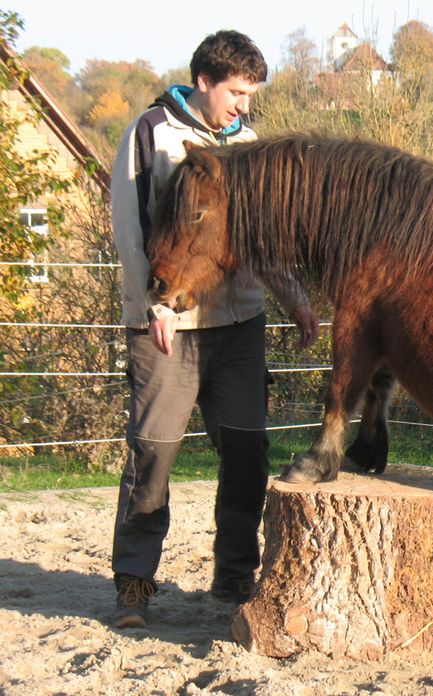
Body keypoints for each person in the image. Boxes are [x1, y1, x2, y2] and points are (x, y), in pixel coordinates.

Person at [109, 30, 320, 628]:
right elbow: (129, 229)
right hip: (166, 329)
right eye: (236, 91)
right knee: (153, 455)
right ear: (204, 81)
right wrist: (153, 306)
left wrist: (295, 300)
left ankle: (232, 579)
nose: (243, 105)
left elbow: (266, 237)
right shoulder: (151, 133)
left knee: (248, 455)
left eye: (250, 93)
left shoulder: (249, 144)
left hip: (239, 325)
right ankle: (133, 586)